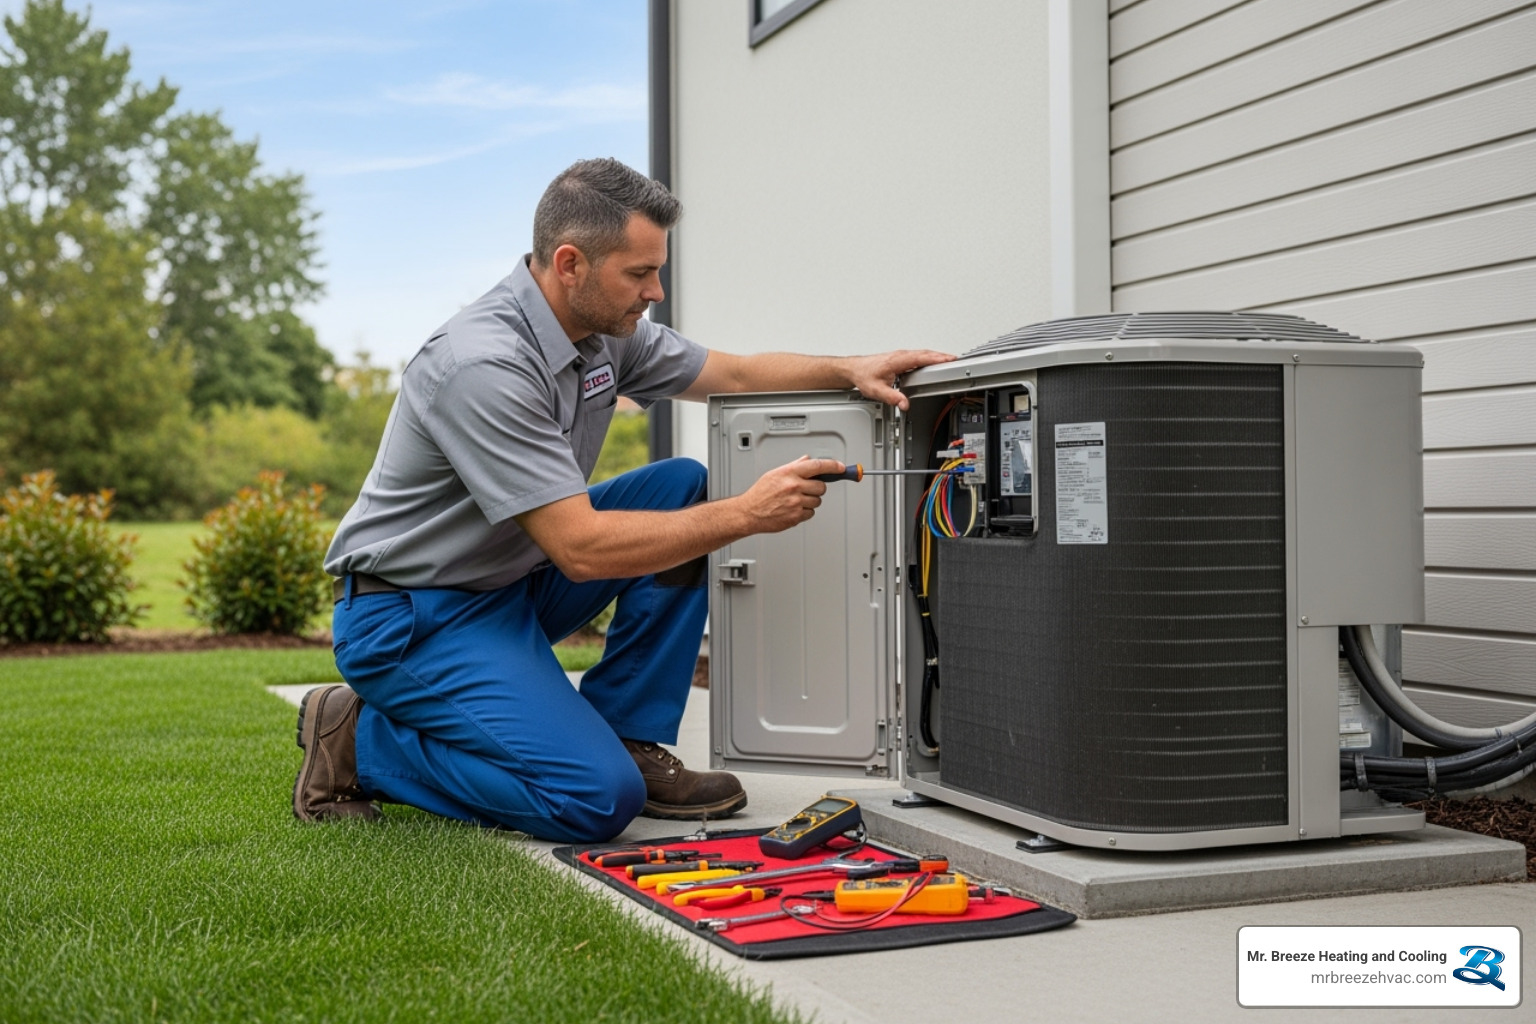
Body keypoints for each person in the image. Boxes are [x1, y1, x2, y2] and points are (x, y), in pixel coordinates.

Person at [296, 157, 951, 843]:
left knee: (680, 486)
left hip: (509, 583)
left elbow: (732, 374)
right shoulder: (482, 365)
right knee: (593, 800)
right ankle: (359, 741)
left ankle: (627, 733)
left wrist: (849, 368)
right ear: (570, 264)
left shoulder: (604, 335)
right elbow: (580, 550)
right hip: (411, 615)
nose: (655, 292)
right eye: (640, 273)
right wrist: (747, 514)